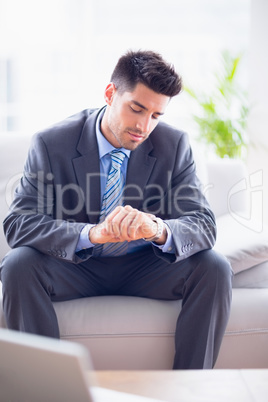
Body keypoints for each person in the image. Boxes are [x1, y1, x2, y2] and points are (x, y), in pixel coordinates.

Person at [0, 50, 232, 369]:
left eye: (155, 115)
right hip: (77, 266)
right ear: (110, 94)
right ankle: (47, 388)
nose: (143, 126)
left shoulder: (174, 145)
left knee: (214, 267)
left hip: (146, 266)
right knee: (18, 265)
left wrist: (157, 228)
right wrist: (90, 234)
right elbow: (19, 223)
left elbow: (203, 224)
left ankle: (189, 387)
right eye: (136, 108)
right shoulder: (52, 143)